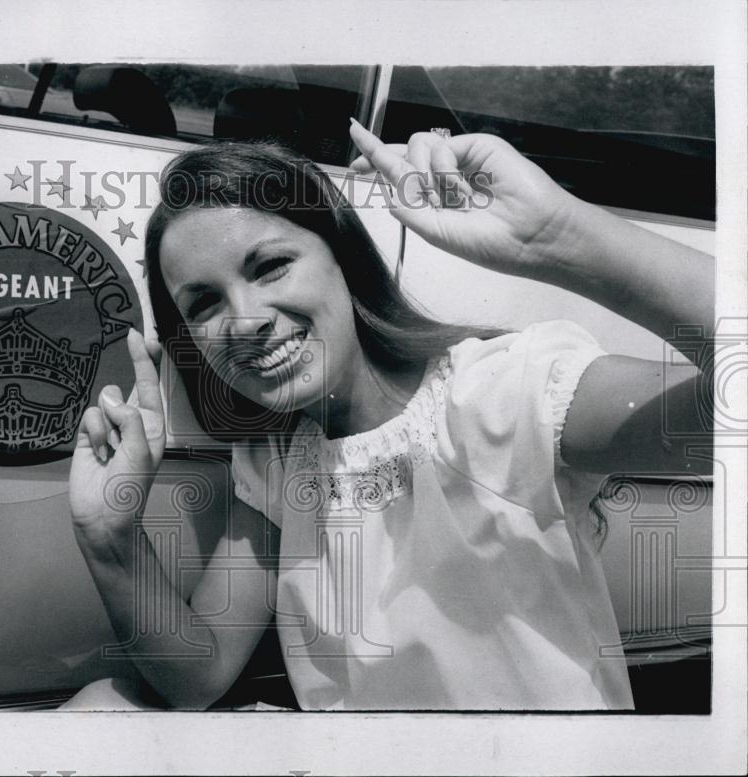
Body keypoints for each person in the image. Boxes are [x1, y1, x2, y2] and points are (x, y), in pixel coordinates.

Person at [61, 121, 714, 711]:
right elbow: (198, 674)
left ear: (343, 258)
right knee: (101, 707)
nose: (247, 321)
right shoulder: (275, 458)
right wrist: (110, 537)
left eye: (271, 266)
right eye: (203, 304)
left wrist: (557, 235)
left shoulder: (497, 391)